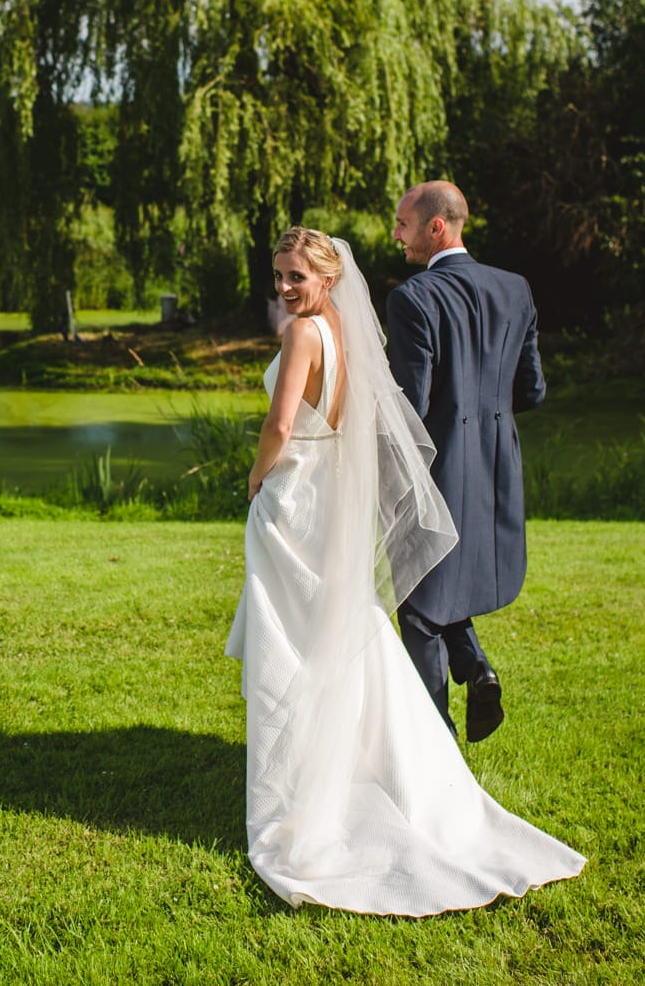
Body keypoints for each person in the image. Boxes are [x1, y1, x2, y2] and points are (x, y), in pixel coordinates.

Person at [225, 227, 583, 915]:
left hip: (295, 492)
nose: (285, 288)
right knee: (340, 623)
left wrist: (254, 477)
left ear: (326, 277)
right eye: (279, 277)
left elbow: (278, 424)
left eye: (296, 276)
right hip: (330, 490)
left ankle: (300, 784)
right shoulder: (346, 330)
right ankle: (368, 763)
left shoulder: (303, 335)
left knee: (290, 634)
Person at [385, 181, 545, 743]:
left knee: (420, 606)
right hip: (497, 470)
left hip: (434, 473)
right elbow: (532, 389)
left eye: (403, 223)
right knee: (441, 586)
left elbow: (412, 404)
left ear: (436, 227)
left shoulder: (414, 299)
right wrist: (487, 416)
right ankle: (477, 670)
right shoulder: (515, 289)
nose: (396, 234)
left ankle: (438, 747)